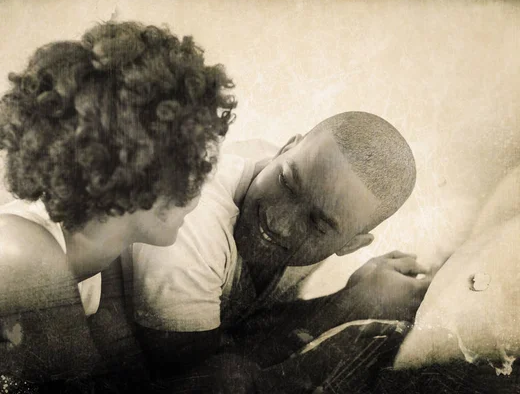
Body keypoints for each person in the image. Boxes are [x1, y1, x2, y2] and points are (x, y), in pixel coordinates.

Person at [0, 21, 236, 387]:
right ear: (128, 170)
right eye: (189, 163)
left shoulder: (93, 257)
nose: (200, 181)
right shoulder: (20, 254)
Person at [109, 111, 433, 391]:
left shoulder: (312, 184)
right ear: (285, 149)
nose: (278, 222)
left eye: (317, 224)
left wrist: (357, 294)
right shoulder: (192, 222)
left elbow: (252, 327)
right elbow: (202, 379)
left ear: (350, 245)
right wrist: (350, 304)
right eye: (288, 183)